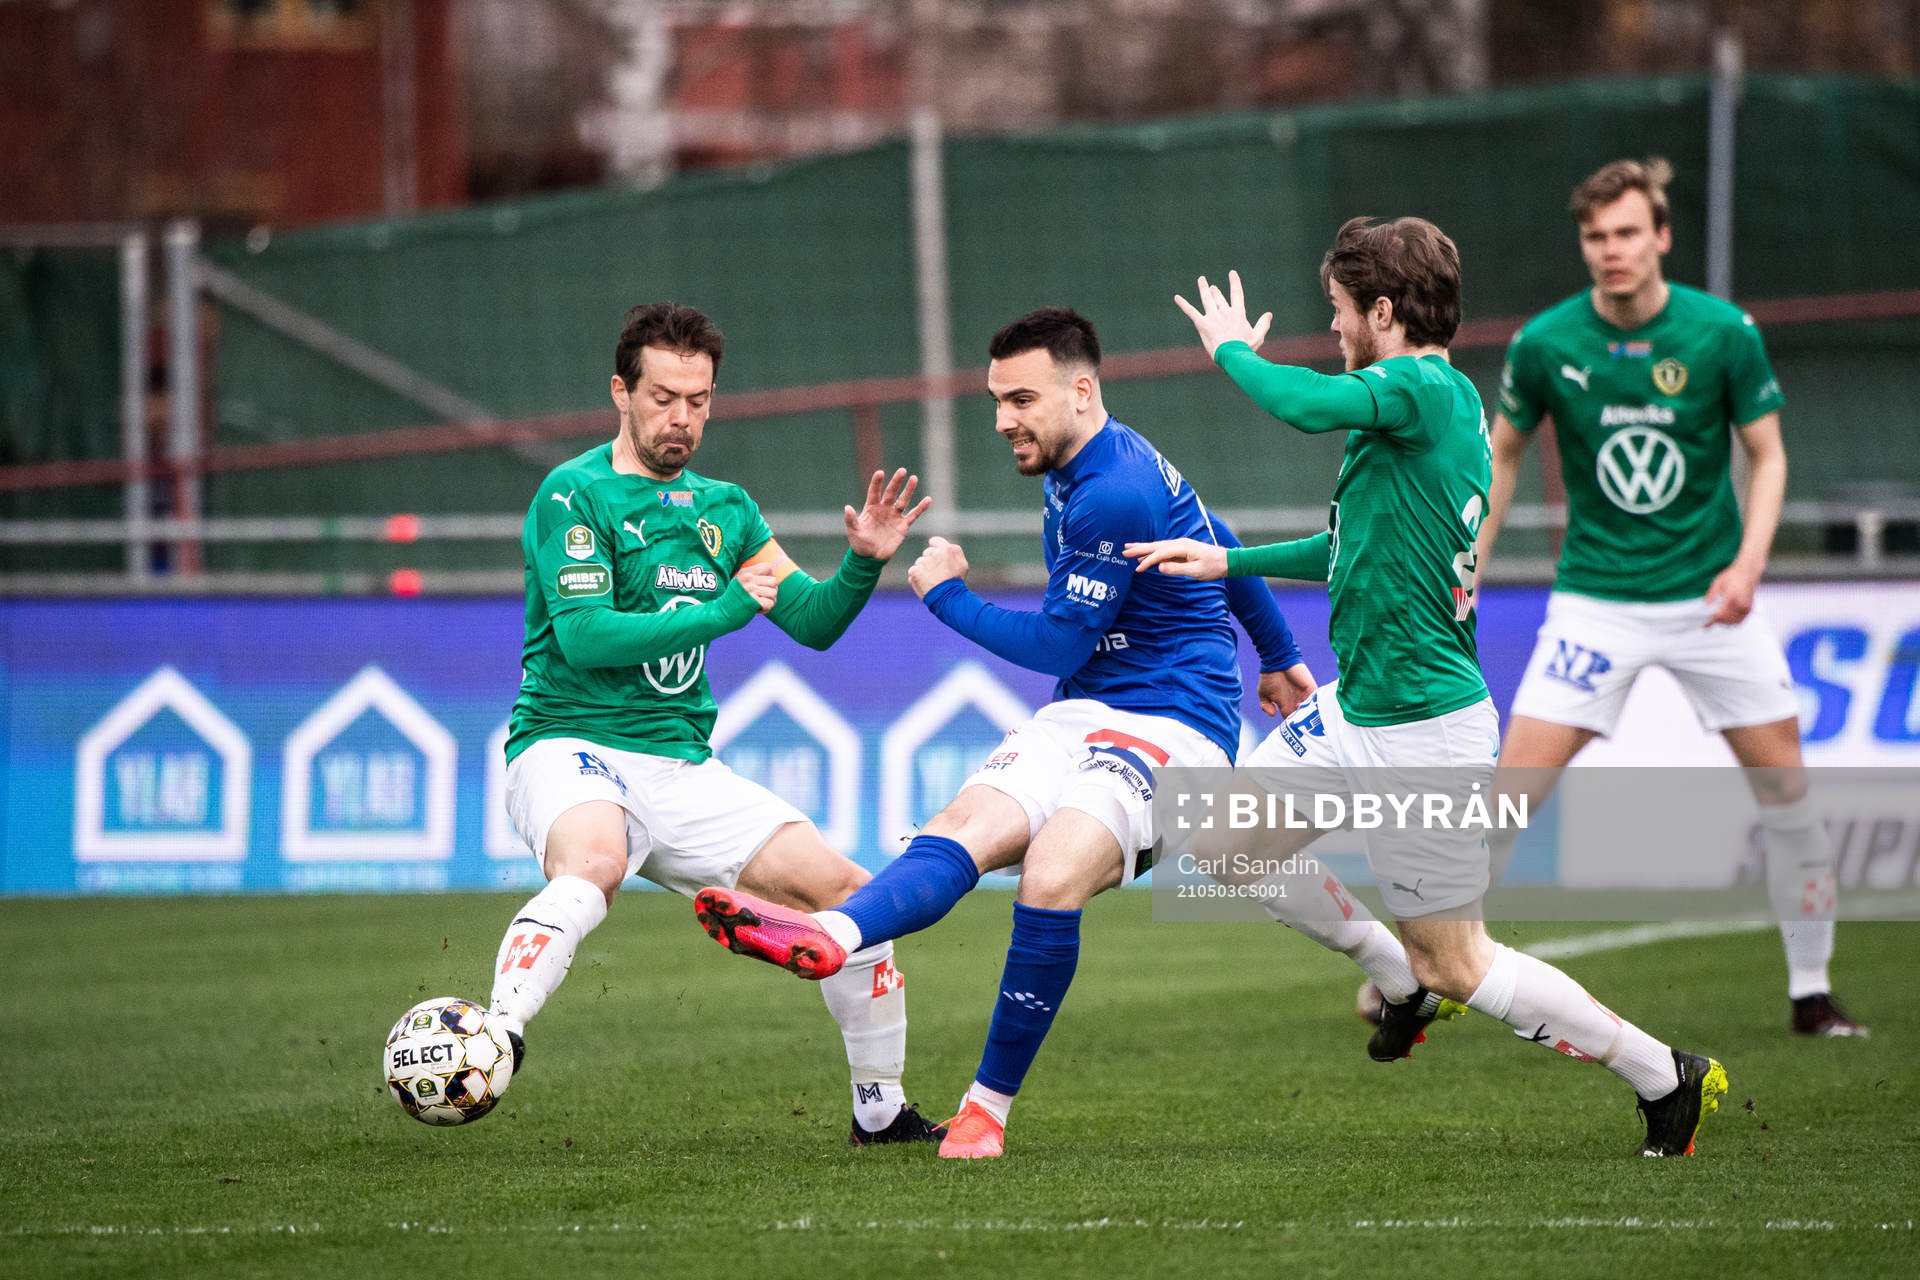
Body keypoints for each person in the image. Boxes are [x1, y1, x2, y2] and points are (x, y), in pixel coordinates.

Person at [694, 307, 1432, 1159]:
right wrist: (1274, 650)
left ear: (1082, 392)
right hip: (1083, 708)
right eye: (995, 400)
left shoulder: (1110, 488)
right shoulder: (1094, 457)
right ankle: (832, 936)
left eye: (1020, 399)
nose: (1004, 418)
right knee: (963, 831)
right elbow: (1214, 535)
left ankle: (985, 1111)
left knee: (1049, 874)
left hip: (1174, 723)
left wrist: (944, 595)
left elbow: (1055, 640)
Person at [1127, 217, 1728, 1156]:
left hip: (1424, 734)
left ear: (1383, 311)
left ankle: (1664, 1074)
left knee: (1457, 961)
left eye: (1336, 313)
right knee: (1226, 841)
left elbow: (1301, 404)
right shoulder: (1425, 410)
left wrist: (1234, 351)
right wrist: (1224, 559)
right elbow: (1345, 547)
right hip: (1356, 706)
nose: (1331, 331)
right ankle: (1393, 981)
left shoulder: (1418, 386)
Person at [484, 300, 946, 1146]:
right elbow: (586, 640)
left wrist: (862, 563)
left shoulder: (724, 509)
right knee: (596, 861)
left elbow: (808, 619)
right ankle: (494, 1037)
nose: (682, 418)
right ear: (620, 392)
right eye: (664, 398)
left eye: (699, 400)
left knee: (851, 895)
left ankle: (879, 1113)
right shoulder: (573, 494)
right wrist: (726, 610)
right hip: (569, 743)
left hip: (681, 767)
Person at [1477, 158, 1863, 1037]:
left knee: (1787, 795)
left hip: (1710, 602)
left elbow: (1766, 455)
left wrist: (1750, 564)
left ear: (1660, 237)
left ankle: (1812, 993)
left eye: (1625, 234)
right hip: (1594, 604)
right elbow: (1501, 455)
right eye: (1594, 237)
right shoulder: (1545, 344)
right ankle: (1424, 969)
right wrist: (1475, 560)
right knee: (1507, 795)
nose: (1610, 252)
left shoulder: (1723, 333)